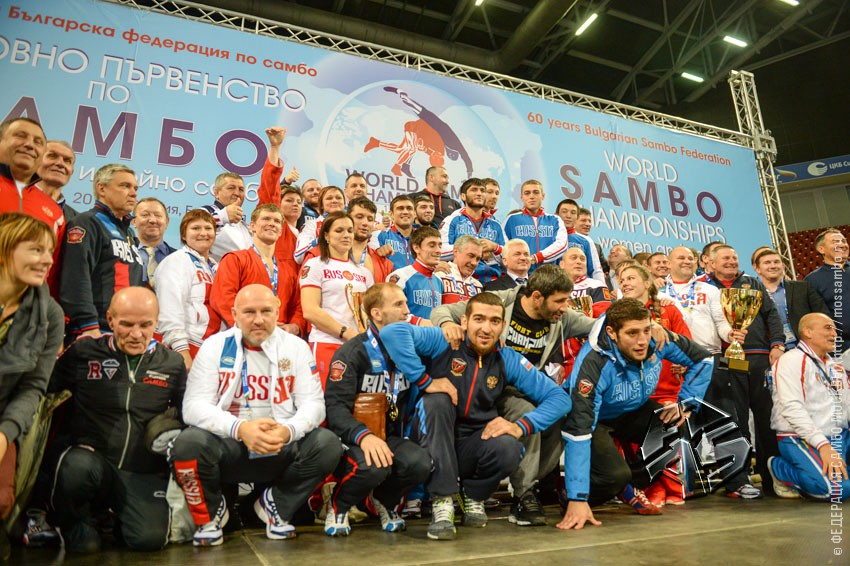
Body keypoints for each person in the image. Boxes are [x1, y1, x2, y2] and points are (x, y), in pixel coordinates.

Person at [382, 293, 571, 540]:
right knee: (437, 400)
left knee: (509, 447)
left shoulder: (507, 358)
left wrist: (521, 427)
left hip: (472, 444)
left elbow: (560, 399)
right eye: (479, 319)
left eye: (494, 321)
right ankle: (442, 500)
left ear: (503, 326)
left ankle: (473, 495)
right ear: (464, 321)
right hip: (431, 440)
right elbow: (392, 332)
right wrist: (424, 380)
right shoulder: (445, 341)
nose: (486, 328)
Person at [171, 285, 341, 545]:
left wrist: (288, 431)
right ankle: (210, 515)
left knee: (327, 444)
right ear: (234, 314)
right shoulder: (214, 346)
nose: (258, 319)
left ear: (277, 311)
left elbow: (314, 405)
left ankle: (276, 507)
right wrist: (240, 428)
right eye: (249, 312)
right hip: (229, 446)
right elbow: (193, 406)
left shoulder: (297, 347)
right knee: (187, 444)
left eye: (266, 311)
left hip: (278, 444)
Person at [431, 265, 596, 526]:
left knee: (561, 415)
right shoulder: (501, 302)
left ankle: (528, 484)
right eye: (560, 301)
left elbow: (599, 326)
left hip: (526, 383)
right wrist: (447, 324)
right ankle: (523, 492)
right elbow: (441, 311)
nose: (565, 307)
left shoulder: (561, 318)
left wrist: (650, 326)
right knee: (525, 410)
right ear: (538, 297)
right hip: (492, 385)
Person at [49, 287, 186, 553]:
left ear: (156, 323)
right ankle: (76, 521)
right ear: (110, 320)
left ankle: (116, 518)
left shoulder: (172, 363)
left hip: (142, 470)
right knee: (77, 474)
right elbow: (43, 388)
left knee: (148, 540)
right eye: (126, 324)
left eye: (145, 325)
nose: (136, 334)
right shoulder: (85, 352)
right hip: (93, 462)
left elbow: (187, 413)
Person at [557, 299, 714, 531]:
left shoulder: (657, 338)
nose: (642, 341)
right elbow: (578, 432)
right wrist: (577, 497)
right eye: (632, 333)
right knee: (614, 477)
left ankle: (630, 487)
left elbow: (703, 359)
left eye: (646, 330)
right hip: (593, 418)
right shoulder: (593, 364)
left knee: (675, 425)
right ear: (612, 333)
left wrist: (686, 404)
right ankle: (570, 494)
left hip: (630, 409)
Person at [323, 283, 432, 536]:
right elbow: (335, 408)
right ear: (377, 314)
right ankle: (339, 505)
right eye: (398, 304)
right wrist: (363, 436)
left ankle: (383, 500)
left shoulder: (411, 350)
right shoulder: (352, 352)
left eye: (406, 303)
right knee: (374, 465)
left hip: (389, 435)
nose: (407, 311)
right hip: (351, 439)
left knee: (420, 463)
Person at [0, 213, 64, 558]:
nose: (47, 260)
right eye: (36, 250)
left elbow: (32, 387)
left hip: (4, 416)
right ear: (4, 249)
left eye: (49, 251)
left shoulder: (50, 314)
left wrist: (3, 435)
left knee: (2, 500)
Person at [706, 244, 785, 497]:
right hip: (727, 361)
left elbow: (772, 315)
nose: (731, 261)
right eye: (725, 258)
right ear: (711, 263)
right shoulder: (705, 288)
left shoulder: (753, 283)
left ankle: (774, 477)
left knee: (766, 419)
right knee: (735, 420)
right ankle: (740, 478)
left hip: (759, 357)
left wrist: (777, 344)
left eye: (734, 257)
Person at [616, 264, 693, 505]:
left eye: (631, 278)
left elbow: (687, 344)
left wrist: (683, 363)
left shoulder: (669, 310)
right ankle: (650, 488)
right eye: (622, 279)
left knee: (668, 436)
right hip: (634, 393)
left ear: (647, 283)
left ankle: (669, 488)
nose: (625, 283)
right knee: (637, 443)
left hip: (667, 389)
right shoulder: (615, 314)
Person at [768, 313, 850, 501]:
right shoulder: (791, 360)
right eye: (828, 328)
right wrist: (823, 445)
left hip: (839, 436)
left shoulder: (836, 366)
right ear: (808, 332)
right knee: (836, 490)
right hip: (800, 437)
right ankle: (779, 468)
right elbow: (792, 408)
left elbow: (847, 405)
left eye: (835, 329)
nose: (834, 334)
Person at [60, 163, 143, 339]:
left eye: (135, 188)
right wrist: (88, 325)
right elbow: (75, 277)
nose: (133, 193)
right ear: (101, 188)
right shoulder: (86, 223)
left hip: (123, 332)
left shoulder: (128, 232)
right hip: (94, 331)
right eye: (125, 186)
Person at [300, 212, 374, 386]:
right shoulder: (315, 265)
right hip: (327, 343)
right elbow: (310, 311)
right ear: (326, 235)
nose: (346, 235)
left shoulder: (364, 273)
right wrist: (346, 333)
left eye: (350, 230)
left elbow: (370, 313)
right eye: (339, 230)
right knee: (328, 400)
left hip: (359, 346)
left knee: (357, 400)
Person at [211, 204, 305, 335]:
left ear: (280, 231)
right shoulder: (234, 260)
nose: (272, 223)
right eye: (266, 219)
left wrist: (295, 326)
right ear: (253, 226)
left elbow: (298, 306)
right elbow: (222, 298)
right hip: (244, 337)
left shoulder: (289, 270)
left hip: (279, 338)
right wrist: (252, 323)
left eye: (277, 221)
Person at [0, 118, 65, 294]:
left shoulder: (55, 212)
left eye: (38, 142)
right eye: (20, 136)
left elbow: (51, 274)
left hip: (29, 306)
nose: (30, 145)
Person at [154, 209, 222, 370]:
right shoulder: (177, 261)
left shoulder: (215, 267)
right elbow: (170, 307)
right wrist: (182, 351)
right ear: (184, 235)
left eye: (208, 228)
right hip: (181, 348)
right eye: (196, 228)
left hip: (206, 349)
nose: (203, 233)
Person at [753, 248, 829, 349]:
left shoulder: (803, 287)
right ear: (757, 269)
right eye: (767, 263)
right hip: (769, 349)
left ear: (783, 266)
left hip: (806, 346)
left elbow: (823, 314)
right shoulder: (753, 294)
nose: (773, 266)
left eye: (776, 262)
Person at [440, 178, 505, 283]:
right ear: (463, 196)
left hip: (492, 281)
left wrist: (494, 247)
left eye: (482, 191)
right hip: (459, 280)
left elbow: (509, 258)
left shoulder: (496, 225)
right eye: (474, 190)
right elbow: (440, 252)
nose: (479, 193)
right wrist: (473, 250)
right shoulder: (452, 220)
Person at [503, 180, 568, 270]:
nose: (531, 196)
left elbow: (562, 244)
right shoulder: (512, 219)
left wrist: (537, 257)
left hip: (548, 274)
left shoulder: (555, 220)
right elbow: (504, 246)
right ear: (521, 197)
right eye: (527, 193)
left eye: (536, 192)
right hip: (520, 273)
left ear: (543, 196)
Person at [259, 126, 300, 267]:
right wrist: (275, 147)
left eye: (299, 201)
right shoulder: (276, 229)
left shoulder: (306, 235)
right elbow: (269, 185)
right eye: (289, 200)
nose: (295, 204)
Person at [805, 229, 849, 354]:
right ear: (821, 249)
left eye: (844, 241)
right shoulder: (812, 280)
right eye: (835, 242)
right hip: (842, 349)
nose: (842, 245)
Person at [388, 226, 443, 319]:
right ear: (416, 248)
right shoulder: (400, 276)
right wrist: (420, 323)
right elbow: (390, 312)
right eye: (432, 245)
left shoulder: (439, 281)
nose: (438, 250)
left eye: (440, 246)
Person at [202, 172, 252, 262]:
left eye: (241, 189)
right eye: (231, 188)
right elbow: (195, 227)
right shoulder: (205, 211)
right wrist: (224, 216)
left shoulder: (245, 226)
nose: (237, 193)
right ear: (217, 193)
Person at [345, 196, 395, 283]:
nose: (365, 223)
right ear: (347, 219)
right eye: (359, 217)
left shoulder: (385, 263)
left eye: (370, 219)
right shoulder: (327, 254)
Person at [554, 198, 604, 283]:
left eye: (573, 213)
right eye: (564, 211)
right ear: (556, 215)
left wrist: (602, 288)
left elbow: (596, 270)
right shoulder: (548, 238)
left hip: (583, 288)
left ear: (577, 217)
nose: (568, 216)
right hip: (556, 287)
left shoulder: (586, 241)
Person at [294, 185, 346, 264]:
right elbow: (298, 256)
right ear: (321, 205)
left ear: (344, 204)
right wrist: (321, 239)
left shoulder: (352, 225)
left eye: (338, 198)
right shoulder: (312, 225)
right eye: (329, 198)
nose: (334, 201)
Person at [133, 197, 177, 288]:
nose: (152, 220)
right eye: (145, 215)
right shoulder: (123, 253)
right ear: (134, 221)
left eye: (158, 215)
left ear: (167, 222)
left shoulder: (179, 258)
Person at [36, 140, 78, 222]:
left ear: (71, 172)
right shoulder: (14, 198)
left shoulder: (77, 220)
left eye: (67, 161)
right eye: (52, 156)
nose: (60, 163)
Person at [371, 194, 415, 270]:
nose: (405, 212)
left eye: (409, 208)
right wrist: (378, 251)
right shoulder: (379, 235)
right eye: (400, 208)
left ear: (415, 214)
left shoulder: (422, 239)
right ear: (391, 214)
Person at [560, 247, 611, 312]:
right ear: (562, 264)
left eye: (582, 259)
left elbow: (602, 315)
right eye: (574, 258)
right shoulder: (553, 286)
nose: (579, 262)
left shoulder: (597, 286)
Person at [438, 235, 483, 305]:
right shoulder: (440, 275)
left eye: (478, 259)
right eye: (471, 256)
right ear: (456, 251)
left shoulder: (478, 286)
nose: (474, 263)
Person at [575, 207, 610, 285]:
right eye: (583, 220)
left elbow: (604, 268)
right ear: (574, 222)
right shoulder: (565, 241)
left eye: (589, 221)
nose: (588, 224)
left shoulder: (596, 247)